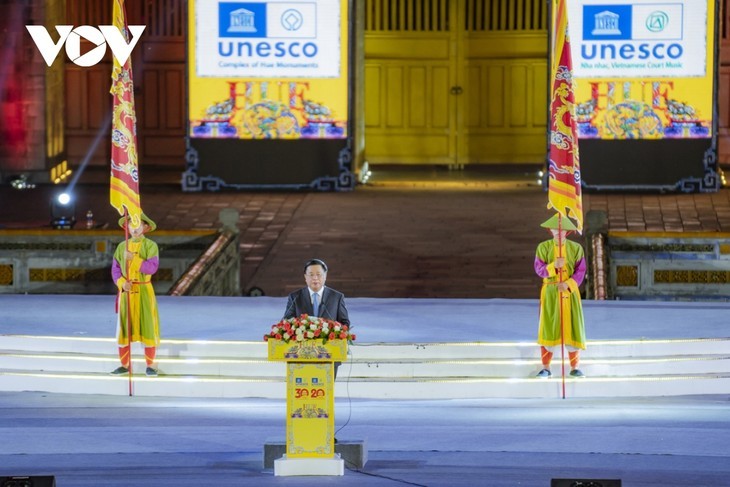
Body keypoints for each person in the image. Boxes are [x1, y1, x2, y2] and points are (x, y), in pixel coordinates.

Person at [533, 213, 586, 379]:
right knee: (549, 325)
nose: (559, 231)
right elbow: (538, 268)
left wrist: (569, 284)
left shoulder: (576, 249)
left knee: (572, 326)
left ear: (567, 232)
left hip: (569, 293)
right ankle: (546, 367)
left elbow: (581, 271)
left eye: (562, 229)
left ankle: (575, 367)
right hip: (551, 291)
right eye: (555, 228)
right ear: (551, 230)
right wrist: (553, 266)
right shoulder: (543, 247)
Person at [110, 213, 161, 377]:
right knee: (124, 328)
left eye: (139, 224)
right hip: (127, 293)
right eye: (132, 224)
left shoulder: (151, 246)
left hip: (144, 291)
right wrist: (121, 283)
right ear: (127, 227)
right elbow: (115, 269)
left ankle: (151, 365)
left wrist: (134, 260)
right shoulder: (121, 247)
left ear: (146, 227)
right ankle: (124, 364)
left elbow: (152, 268)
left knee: (148, 327)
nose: (135, 228)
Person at [283, 259, 350, 377]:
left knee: (325, 393)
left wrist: (337, 332)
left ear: (325, 276)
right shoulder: (295, 297)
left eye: (319, 275)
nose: (315, 278)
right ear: (305, 277)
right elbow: (287, 321)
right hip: (301, 356)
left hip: (329, 356)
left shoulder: (337, 297)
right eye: (311, 275)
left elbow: (345, 323)